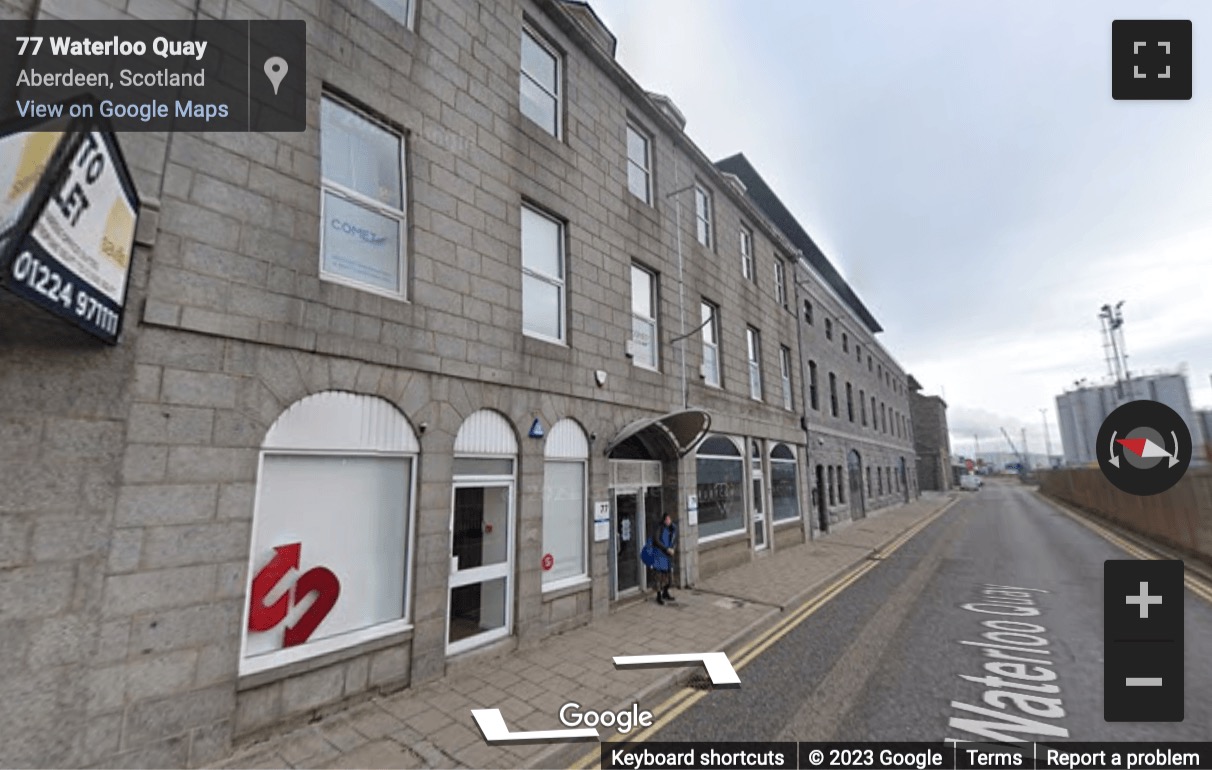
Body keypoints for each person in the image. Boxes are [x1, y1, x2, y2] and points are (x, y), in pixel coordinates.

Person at [652, 513, 678, 605]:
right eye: (666, 519)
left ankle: (665, 592)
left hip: (668, 556)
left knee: (669, 578)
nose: (668, 521)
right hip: (660, 555)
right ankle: (659, 596)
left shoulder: (672, 529)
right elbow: (656, 540)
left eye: (669, 519)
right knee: (659, 577)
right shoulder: (660, 528)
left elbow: (675, 540)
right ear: (663, 520)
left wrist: (673, 549)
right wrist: (666, 549)